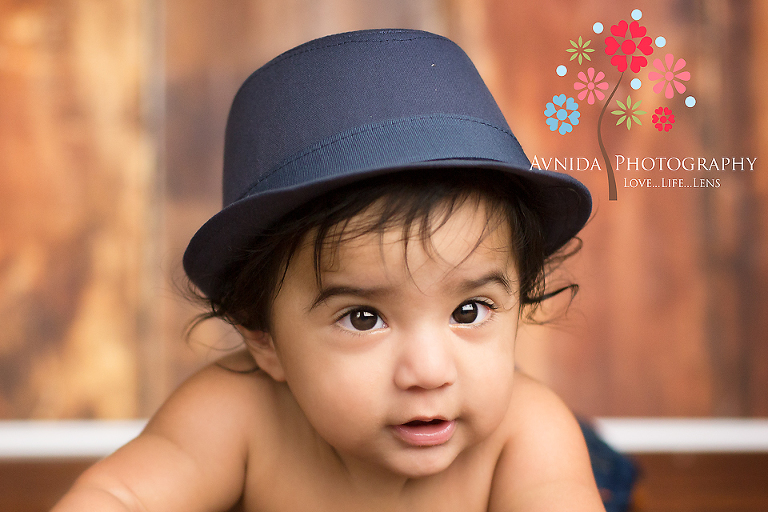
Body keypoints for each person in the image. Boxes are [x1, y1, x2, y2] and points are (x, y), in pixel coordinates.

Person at [53, 29, 604, 511]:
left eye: (468, 310)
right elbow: (122, 496)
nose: (429, 371)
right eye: (363, 318)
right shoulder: (237, 413)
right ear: (263, 338)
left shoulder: (527, 435)